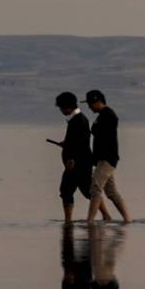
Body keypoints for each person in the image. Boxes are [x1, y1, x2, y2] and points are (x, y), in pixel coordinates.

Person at [55, 91, 110, 223]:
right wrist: (66, 144)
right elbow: (75, 141)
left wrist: (71, 159)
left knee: (86, 190)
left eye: (61, 108)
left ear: (68, 106)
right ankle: (68, 220)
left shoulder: (79, 120)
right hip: (78, 162)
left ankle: (105, 215)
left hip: (79, 163)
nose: (61, 110)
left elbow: (81, 143)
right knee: (68, 190)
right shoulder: (77, 120)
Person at [83, 90, 132, 224]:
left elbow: (105, 138)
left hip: (107, 158)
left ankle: (90, 221)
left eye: (90, 104)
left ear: (97, 101)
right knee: (111, 192)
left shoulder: (109, 115)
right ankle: (128, 220)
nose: (89, 107)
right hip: (103, 159)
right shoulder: (102, 115)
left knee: (95, 187)